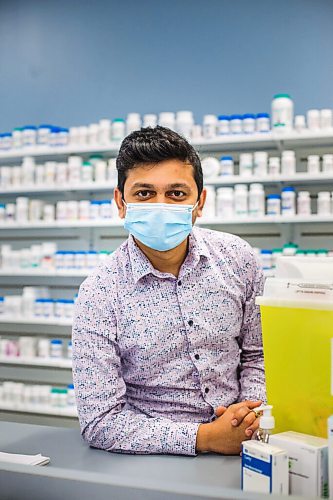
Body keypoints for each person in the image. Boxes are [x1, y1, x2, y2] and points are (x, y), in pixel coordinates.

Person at [72, 126, 266, 456]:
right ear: (121, 202)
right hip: (149, 460)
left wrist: (249, 417)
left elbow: (258, 354)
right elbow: (100, 421)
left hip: (244, 446)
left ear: (199, 202)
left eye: (176, 194)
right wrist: (204, 437)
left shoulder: (239, 259)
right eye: (144, 193)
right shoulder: (99, 294)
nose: (160, 205)